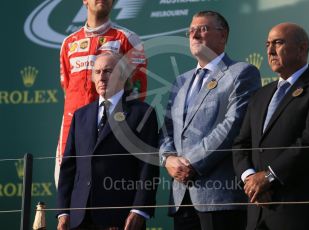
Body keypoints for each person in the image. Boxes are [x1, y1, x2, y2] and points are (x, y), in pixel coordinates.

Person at [232, 22, 309, 230]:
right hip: (259, 211)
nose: (269, 50)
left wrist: (268, 177)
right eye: (267, 44)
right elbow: (241, 144)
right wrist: (250, 180)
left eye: (278, 43)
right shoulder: (260, 95)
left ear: (302, 49)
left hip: (302, 214)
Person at [159, 11, 261, 230]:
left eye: (203, 29)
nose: (195, 35)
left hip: (219, 198)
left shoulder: (242, 73)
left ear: (222, 36)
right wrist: (168, 159)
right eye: (191, 30)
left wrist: (191, 163)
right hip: (181, 197)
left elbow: (233, 125)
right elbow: (167, 129)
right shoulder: (181, 81)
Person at [56, 52, 158, 230]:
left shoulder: (142, 113)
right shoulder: (81, 115)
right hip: (79, 218)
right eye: (97, 72)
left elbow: (148, 167)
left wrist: (139, 210)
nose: (102, 77)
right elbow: (68, 167)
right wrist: (63, 212)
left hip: (120, 217)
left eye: (108, 71)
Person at [55, 0, 147, 185]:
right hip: (73, 127)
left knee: (109, 191)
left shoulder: (127, 39)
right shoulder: (69, 43)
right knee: (68, 190)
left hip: (111, 129)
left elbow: (136, 91)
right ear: (85, 1)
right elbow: (68, 88)